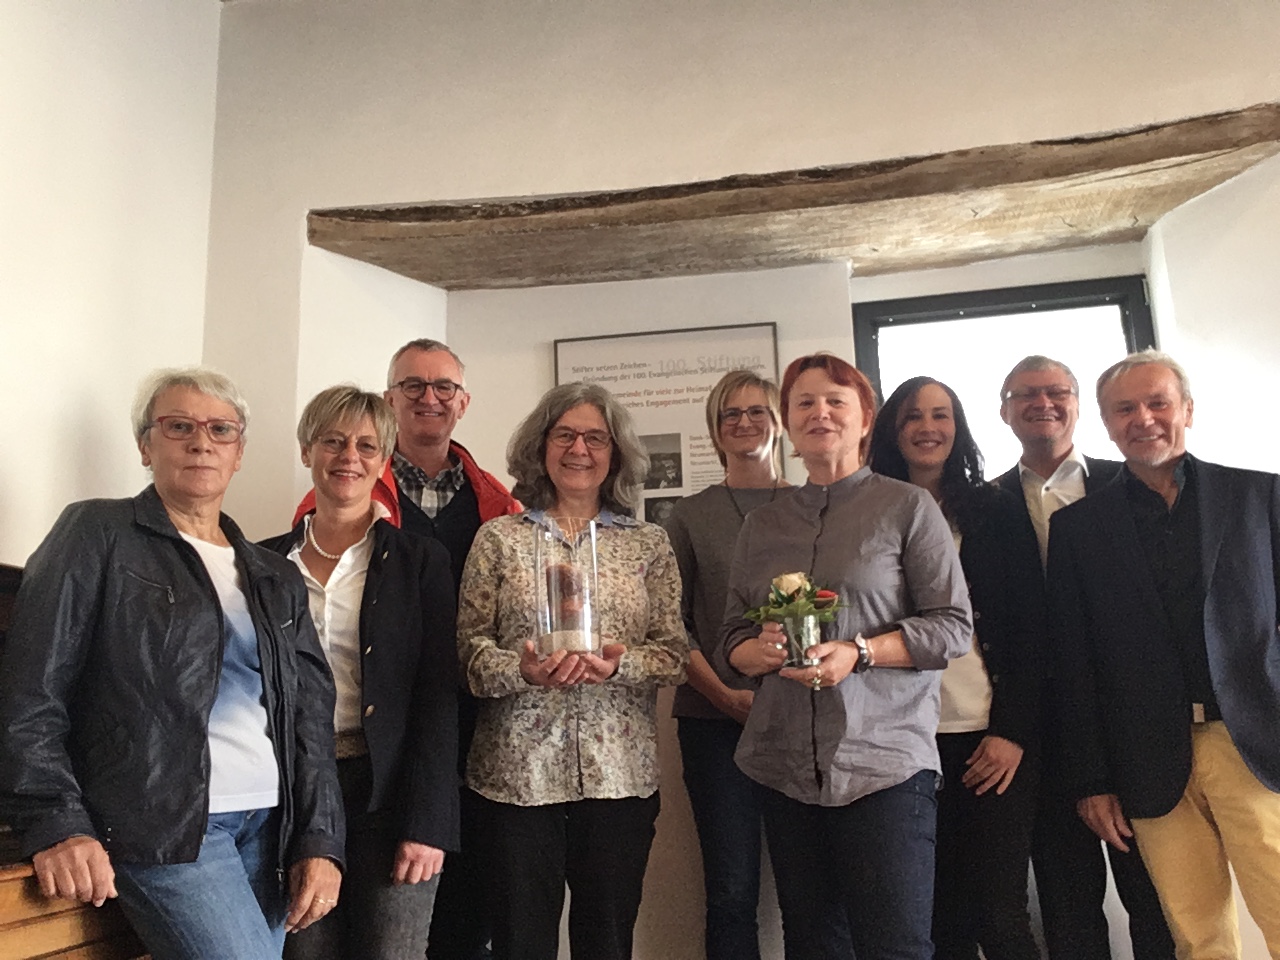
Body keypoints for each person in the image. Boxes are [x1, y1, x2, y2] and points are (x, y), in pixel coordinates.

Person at [0, 367, 344, 960]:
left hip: (270, 828)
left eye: (220, 429)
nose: (201, 442)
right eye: (179, 426)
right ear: (145, 445)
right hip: (165, 826)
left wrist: (320, 839)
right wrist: (56, 820)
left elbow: (309, 718)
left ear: (239, 452)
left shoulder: (275, 575)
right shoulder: (97, 532)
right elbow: (32, 689)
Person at [720, 353, 972, 960]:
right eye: (804, 402)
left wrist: (859, 651)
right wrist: (758, 651)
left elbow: (951, 627)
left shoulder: (908, 507)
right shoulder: (762, 525)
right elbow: (731, 638)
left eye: (836, 401)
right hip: (783, 766)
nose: (820, 413)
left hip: (883, 765)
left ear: (865, 420)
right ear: (788, 422)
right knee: (814, 946)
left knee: (895, 946)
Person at [1048, 350, 1280, 960]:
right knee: (1197, 937)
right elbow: (1076, 663)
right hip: (1146, 760)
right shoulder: (1078, 530)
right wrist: (1093, 780)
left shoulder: (1259, 496)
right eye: (1125, 409)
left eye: (1158, 403)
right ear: (1106, 423)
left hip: (1254, 743)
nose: (1143, 419)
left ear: (1188, 411)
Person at [295, 338, 519, 960]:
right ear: (391, 399)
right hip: (338, 763)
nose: (430, 398)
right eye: (413, 385)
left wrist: (429, 816)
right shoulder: (283, 551)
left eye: (444, 386)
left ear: (463, 401)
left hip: (467, 742)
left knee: (457, 923)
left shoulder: (497, 505)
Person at [456, 381, 688, 960]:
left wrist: (619, 664)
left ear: (616, 453)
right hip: (516, 778)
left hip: (618, 779)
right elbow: (470, 657)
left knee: (606, 944)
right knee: (519, 945)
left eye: (595, 438)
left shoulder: (648, 544)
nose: (578, 449)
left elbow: (673, 655)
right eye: (564, 435)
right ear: (541, 447)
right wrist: (523, 671)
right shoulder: (499, 539)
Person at [263, 386, 460, 960]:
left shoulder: (421, 560)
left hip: (391, 794)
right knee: (306, 953)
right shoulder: (262, 563)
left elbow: (438, 695)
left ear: (383, 460)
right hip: (293, 795)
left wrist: (428, 823)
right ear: (307, 451)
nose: (349, 456)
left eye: (366, 446)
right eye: (333, 441)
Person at [995, 355, 1172, 960]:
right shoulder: (984, 504)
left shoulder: (1134, 485)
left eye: (1057, 391)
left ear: (1078, 406)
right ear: (1004, 411)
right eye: (1025, 394)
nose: (1042, 403)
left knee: (1156, 895)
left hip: (1130, 722)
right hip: (1039, 728)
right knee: (1067, 905)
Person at [870, 376, 1044, 960]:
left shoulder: (996, 510)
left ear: (958, 427)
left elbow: (1031, 627)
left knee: (1000, 912)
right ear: (892, 431)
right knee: (933, 916)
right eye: (913, 416)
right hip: (903, 740)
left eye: (941, 415)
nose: (928, 427)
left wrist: (1012, 731)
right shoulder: (867, 512)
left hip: (987, 737)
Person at [663, 370, 793, 960]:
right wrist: (723, 695)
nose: (744, 423)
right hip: (715, 726)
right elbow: (672, 623)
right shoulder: (689, 516)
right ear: (715, 432)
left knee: (812, 887)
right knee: (732, 890)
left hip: (804, 724)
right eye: (730, 414)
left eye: (757, 411)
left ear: (778, 422)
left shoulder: (813, 504)